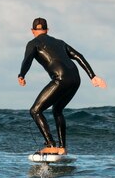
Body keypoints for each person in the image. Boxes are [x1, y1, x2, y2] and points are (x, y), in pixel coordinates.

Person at [18, 17, 107, 155]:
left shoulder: (33, 43)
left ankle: (50, 145)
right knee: (57, 110)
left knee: (35, 111)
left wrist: (21, 75)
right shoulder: (60, 42)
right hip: (75, 79)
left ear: (32, 31)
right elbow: (79, 56)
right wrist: (93, 76)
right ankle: (62, 147)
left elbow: (27, 59)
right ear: (47, 30)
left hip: (60, 79)